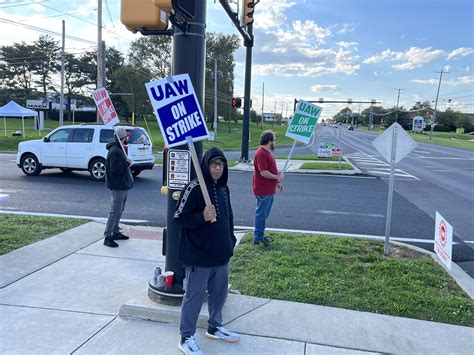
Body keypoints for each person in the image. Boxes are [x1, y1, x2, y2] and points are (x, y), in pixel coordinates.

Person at [174, 147, 240, 355]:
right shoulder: (194, 188)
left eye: (221, 164)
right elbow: (179, 218)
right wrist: (201, 216)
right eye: (214, 164)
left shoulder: (223, 188)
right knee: (194, 296)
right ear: (206, 165)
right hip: (198, 255)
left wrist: (230, 240)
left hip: (220, 253)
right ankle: (186, 338)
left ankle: (214, 326)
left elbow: (228, 217)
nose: (218, 168)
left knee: (219, 294)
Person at [252, 130, 284, 247]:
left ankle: (260, 234)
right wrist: (277, 177)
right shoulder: (261, 153)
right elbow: (264, 172)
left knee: (264, 214)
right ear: (269, 141)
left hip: (268, 189)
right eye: (274, 140)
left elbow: (269, 170)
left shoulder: (267, 152)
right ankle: (258, 238)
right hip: (263, 190)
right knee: (261, 214)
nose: (275, 142)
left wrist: (277, 181)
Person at [103, 127, 134, 248]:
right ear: (122, 138)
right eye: (127, 137)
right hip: (118, 185)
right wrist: (127, 163)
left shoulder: (119, 149)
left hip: (122, 184)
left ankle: (115, 231)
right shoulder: (115, 151)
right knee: (115, 210)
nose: (128, 138)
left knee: (119, 210)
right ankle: (108, 236)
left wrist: (126, 162)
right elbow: (115, 169)